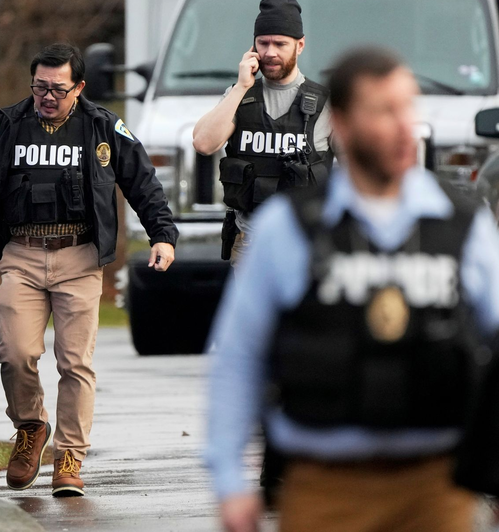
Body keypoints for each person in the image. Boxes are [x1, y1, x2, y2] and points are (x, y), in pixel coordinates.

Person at [206, 46, 499, 532]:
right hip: (324, 487)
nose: (405, 126)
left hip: (439, 488)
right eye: (384, 111)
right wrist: (228, 479)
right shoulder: (289, 229)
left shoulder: (464, 225)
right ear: (340, 123)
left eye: (408, 107)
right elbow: (241, 357)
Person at [0, 43, 178, 497]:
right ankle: (31, 426)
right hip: (21, 254)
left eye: (57, 88)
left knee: (75, 362)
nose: (47, 96)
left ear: (79, 86)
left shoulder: (102, 126)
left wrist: (162, 234)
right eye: (39, 87)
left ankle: (70, 454)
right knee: (15, 353)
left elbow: (141, 180)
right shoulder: (9, 125)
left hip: (79, 257)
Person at [192, 0, 333, 267]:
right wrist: (241, 86)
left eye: (280, 43)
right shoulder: (239, 96)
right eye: (263, 43)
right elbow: (203, 143)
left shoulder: (326, 105)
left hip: (306, 243)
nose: (270, 52)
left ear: (300, 45)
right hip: (249, 244)